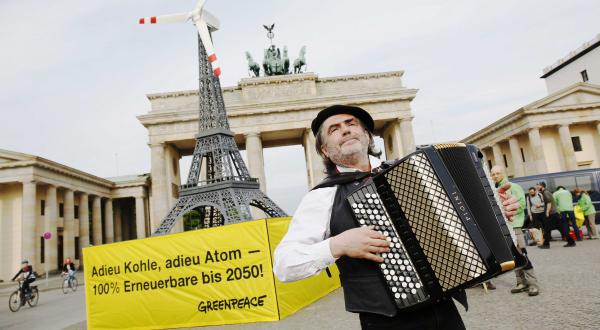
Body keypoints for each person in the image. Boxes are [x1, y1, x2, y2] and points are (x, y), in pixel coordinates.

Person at [273, 105, 522, 329]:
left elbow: (453, 220)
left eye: (351, 123)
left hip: (445, 310)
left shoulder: (413, 171)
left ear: (368, 136)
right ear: (325, 150)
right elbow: (284, 265)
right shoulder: (322, 197)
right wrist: (338, 244)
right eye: (334, 129)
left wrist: (497, 214)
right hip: (387, 321)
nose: (346, 130)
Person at [489, 165, 539, 297]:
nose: (495, 176)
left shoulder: (513, 187)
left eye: (498, 173)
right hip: (503, 229)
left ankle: (533, 284)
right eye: (493, 174)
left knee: (522, 254)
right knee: (513, 257)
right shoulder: (493, 190)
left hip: (515, 227)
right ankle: (521, 283)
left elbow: (522, 204)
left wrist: (508, 207)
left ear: (504, 173)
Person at [536, 181, 565, 249]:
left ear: (542, 186)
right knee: (560, 228)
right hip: (553, 213)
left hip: (552, 214)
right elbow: (546, 202)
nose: (536, 187)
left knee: (547, 229)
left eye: (538, 185)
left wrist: (547, 212)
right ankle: (571, 241)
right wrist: (540, 205)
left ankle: (546, 245)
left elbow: (549, 203)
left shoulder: (545, 192)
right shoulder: (544, 192)